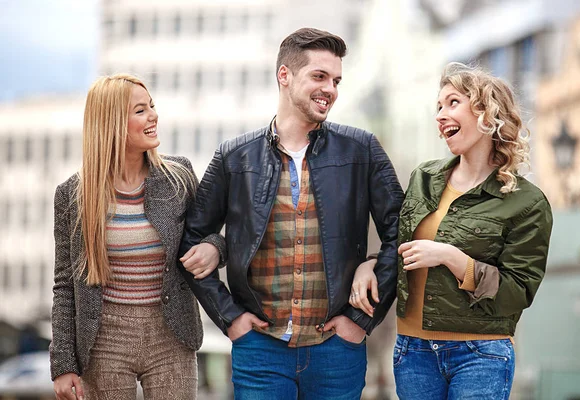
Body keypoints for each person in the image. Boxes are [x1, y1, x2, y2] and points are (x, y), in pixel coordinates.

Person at [178, 27, 404, 399]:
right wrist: (230, 318)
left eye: (336, 80)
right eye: (319, 76)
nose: (330, 88)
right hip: (260, 350)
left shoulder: (361, 150)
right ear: (285, 75)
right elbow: (190, 241)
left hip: (337, 349)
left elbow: (402, 233)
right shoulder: (234, 157)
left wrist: (361, 320)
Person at [351, 62, 553, 400]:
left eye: (453, 103)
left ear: (487, 113)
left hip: (480, 355)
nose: (440, 115)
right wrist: (369, 263)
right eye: (438, 107)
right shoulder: (423, 178)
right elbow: (398, 244)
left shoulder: (527, 203)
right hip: (412, 352)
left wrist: (452, 258)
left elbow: (518, 292)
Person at [50, 73, 226, 400]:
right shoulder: (72, 195)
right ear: (112, 122)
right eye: (141, 110)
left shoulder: (179, 177)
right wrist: (62, 364)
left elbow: (215, 237)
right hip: (104, 343)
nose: (154, 116)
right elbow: (64, 284)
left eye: (153, 106)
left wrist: (212, 249)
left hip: (171, 337)